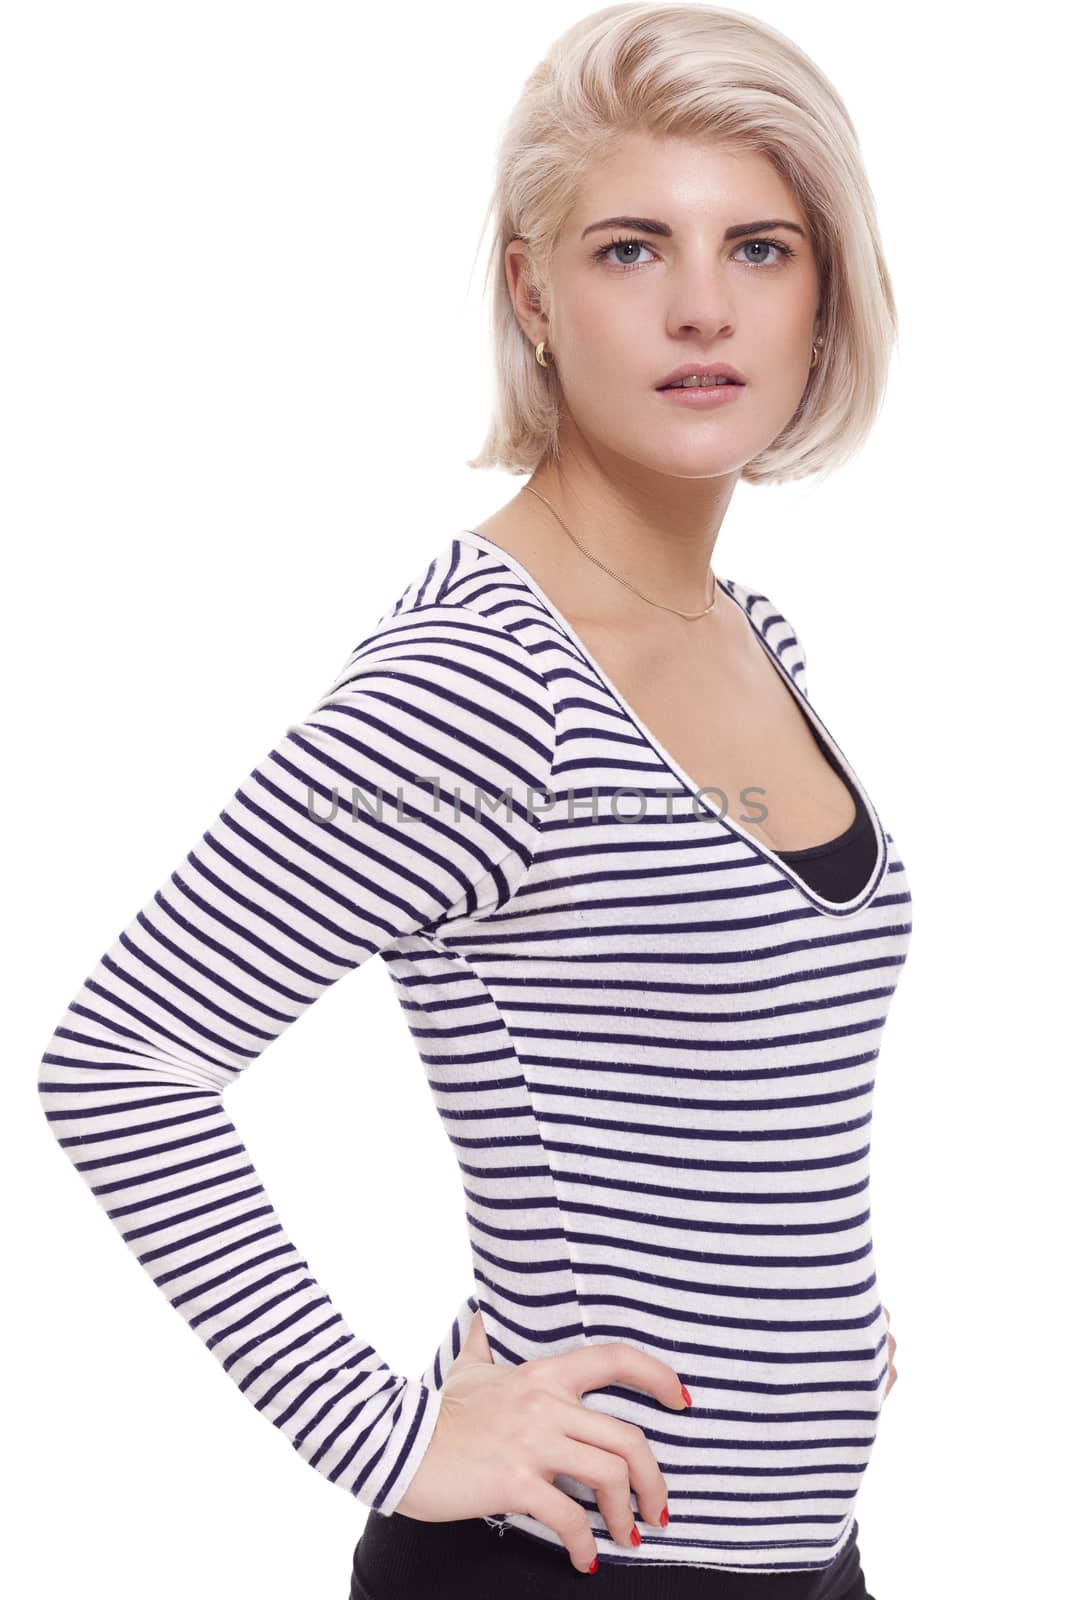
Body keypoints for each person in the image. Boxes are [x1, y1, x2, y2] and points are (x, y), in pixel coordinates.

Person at [37, 4, 908, 1596]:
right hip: (567, 1563)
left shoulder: (750, 636)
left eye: (763, 249)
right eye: (633, 249)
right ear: (533, 289)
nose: (703, 307)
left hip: (797, 1557)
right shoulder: (486, 683)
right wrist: (393, 1433)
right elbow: (121, 1061)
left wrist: (808, 1340)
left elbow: (723, 1091)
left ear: (825, 291)